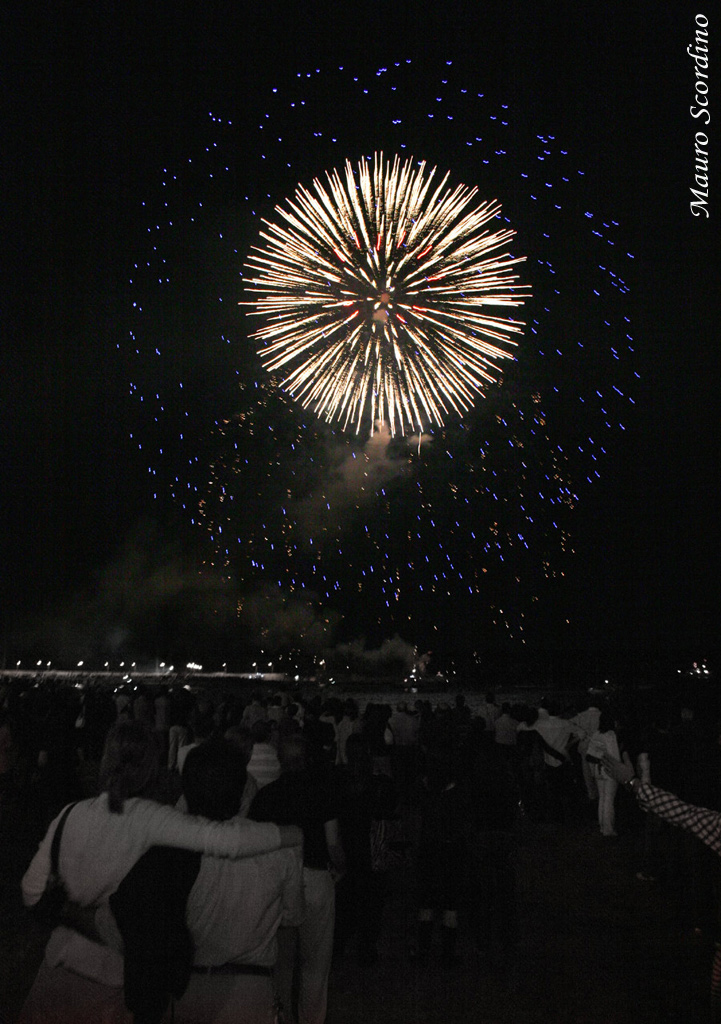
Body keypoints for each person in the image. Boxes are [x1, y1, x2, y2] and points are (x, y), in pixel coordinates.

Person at [18, 720, 301, 1024]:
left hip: (57, 967)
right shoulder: (156, 824)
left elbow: (31, 892)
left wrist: (68, 910)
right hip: (112, 984)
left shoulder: (69, 814)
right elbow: (222, 838)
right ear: (151, 769)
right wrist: (292, 835)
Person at [109, 738, 305, 1024]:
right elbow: (290, 926)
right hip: (251, 990)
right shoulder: (281, 848)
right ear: (243, 789)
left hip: (187, 990)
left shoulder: (171, 851)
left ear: (187, 790)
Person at [250, 734, 345, 1024]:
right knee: (316, 961)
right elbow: (333, 843)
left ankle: (281, 1016)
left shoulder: (266, 796)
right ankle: (311, 1018)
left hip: (278, 880)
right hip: (316, 876)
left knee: (281, 961)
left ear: (280, 760)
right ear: (306, 760)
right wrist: (340, 868)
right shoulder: (323, 792)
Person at [586, 711, 622, 836]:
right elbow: (614, 756)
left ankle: (602, 826)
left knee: (602, 798)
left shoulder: (596, 734)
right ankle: (608, 829)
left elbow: (589, 755)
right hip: (609, 770)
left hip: (598, 770)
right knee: (609, 800)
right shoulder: (610, 735)